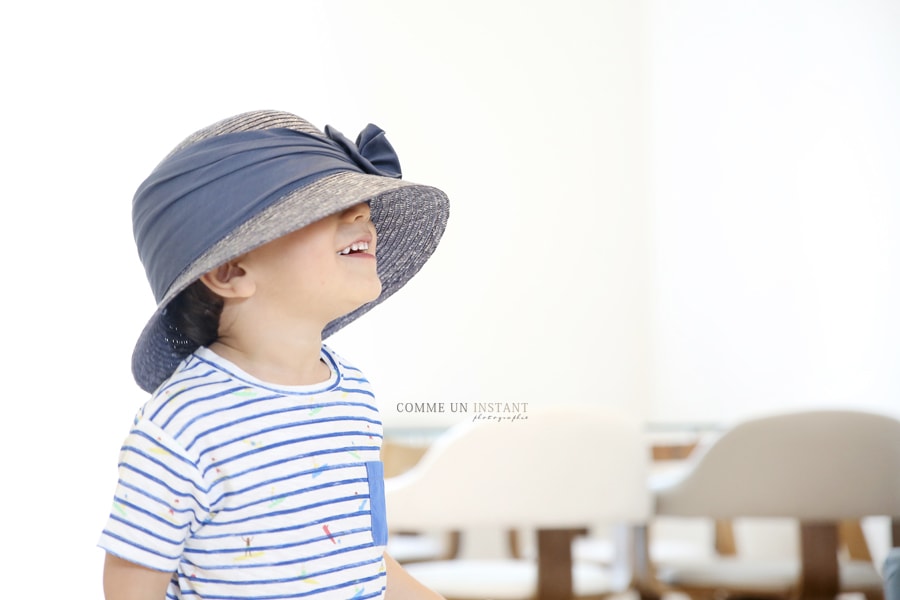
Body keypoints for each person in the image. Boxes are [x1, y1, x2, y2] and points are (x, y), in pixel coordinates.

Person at [98, 110, 450, 599]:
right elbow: (132, 588)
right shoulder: (182, 423)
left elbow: (362, 554)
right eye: (323, 205)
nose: (360, 211)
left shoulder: (355, 396)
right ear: (230, 272)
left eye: (358, 199)